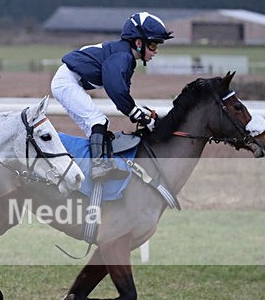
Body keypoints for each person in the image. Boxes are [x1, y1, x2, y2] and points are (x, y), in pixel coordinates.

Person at [51, 11, 173, 180]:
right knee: (98, 121)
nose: (155, 51)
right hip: (67, 81)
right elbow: (115, 88)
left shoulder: (126, 58)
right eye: (153, 45)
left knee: (98, 127)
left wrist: (138, 113)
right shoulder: (122, 56)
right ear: (138, 43)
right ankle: (98, 168)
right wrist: (136, 114)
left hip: (69, 81)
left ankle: (98, 167)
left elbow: (124, 95)